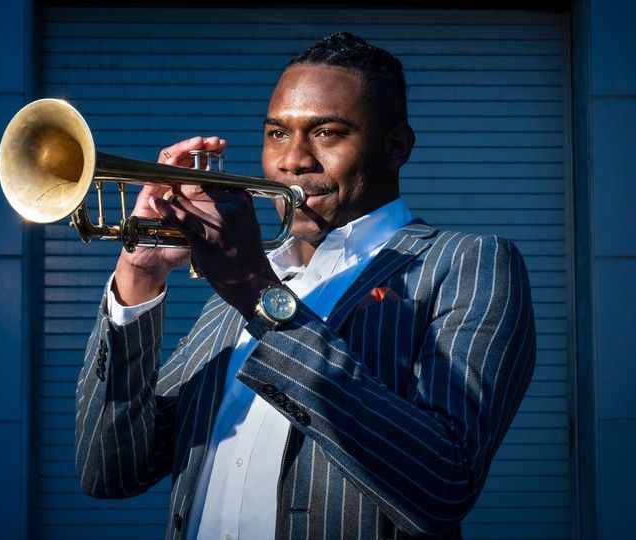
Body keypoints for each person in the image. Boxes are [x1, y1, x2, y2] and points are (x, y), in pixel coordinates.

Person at [74, 32, 536, 540]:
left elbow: (442, 485)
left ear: (396, 146)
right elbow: (112, 472)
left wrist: (255, 291)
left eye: (328, 133)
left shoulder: (467, 264)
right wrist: (141, 275)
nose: (293, 160)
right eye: (276, 134)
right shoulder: (238, 291)